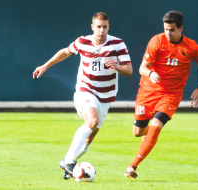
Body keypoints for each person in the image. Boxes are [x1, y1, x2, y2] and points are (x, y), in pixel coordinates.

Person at [33, 12, 132, 179]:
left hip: (106, 96)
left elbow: (129, 70)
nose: (101, 30)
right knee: (92, 121)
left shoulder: (117, 44)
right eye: (98, 27)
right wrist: (46, 65)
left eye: (105, 27)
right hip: (85, 90)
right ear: (92, 27)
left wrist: (116, 66)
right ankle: (70, 160)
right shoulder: (83, 41)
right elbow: (66, 52)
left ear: (109, 27)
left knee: (90, 137)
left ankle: (68, 163)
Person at [124, 10, 198, 179]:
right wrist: (150, 74)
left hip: (171, 95)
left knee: (156, 127)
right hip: (148, 92)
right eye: (165, 29)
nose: (168, 33)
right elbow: (143, 67)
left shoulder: (191, 47)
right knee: (138, 132)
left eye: (172, 29)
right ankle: (147, 137)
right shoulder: (156, 42)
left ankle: (132, 166)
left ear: (181, 29)